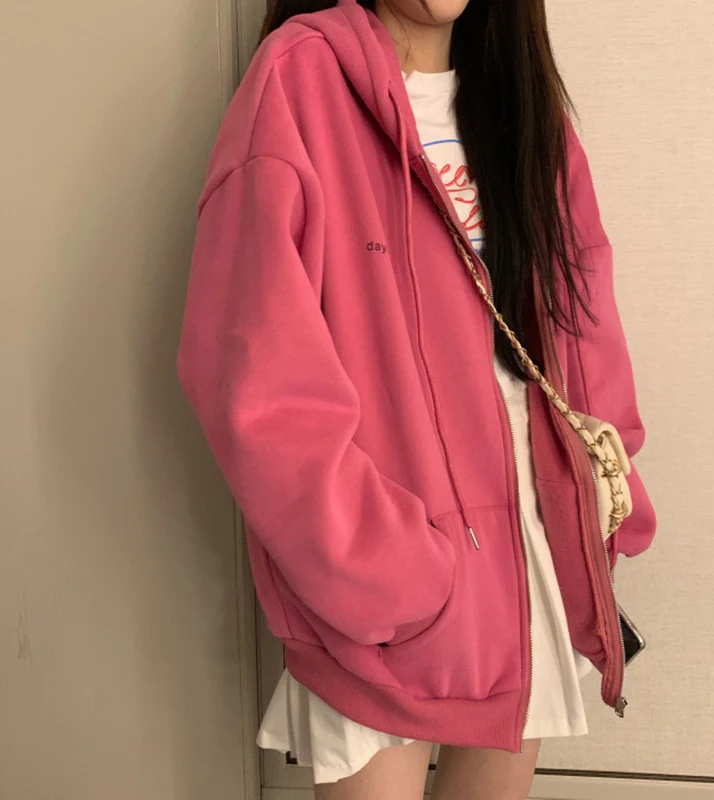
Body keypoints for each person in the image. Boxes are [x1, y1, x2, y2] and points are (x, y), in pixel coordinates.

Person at [177, 0, 657, 797]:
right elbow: (251, 370)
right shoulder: (302, 80)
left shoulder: (522, 102)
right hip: (388, 577)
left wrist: (603, 508)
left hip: (533, 552)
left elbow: (585, 321)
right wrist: (377, 563)